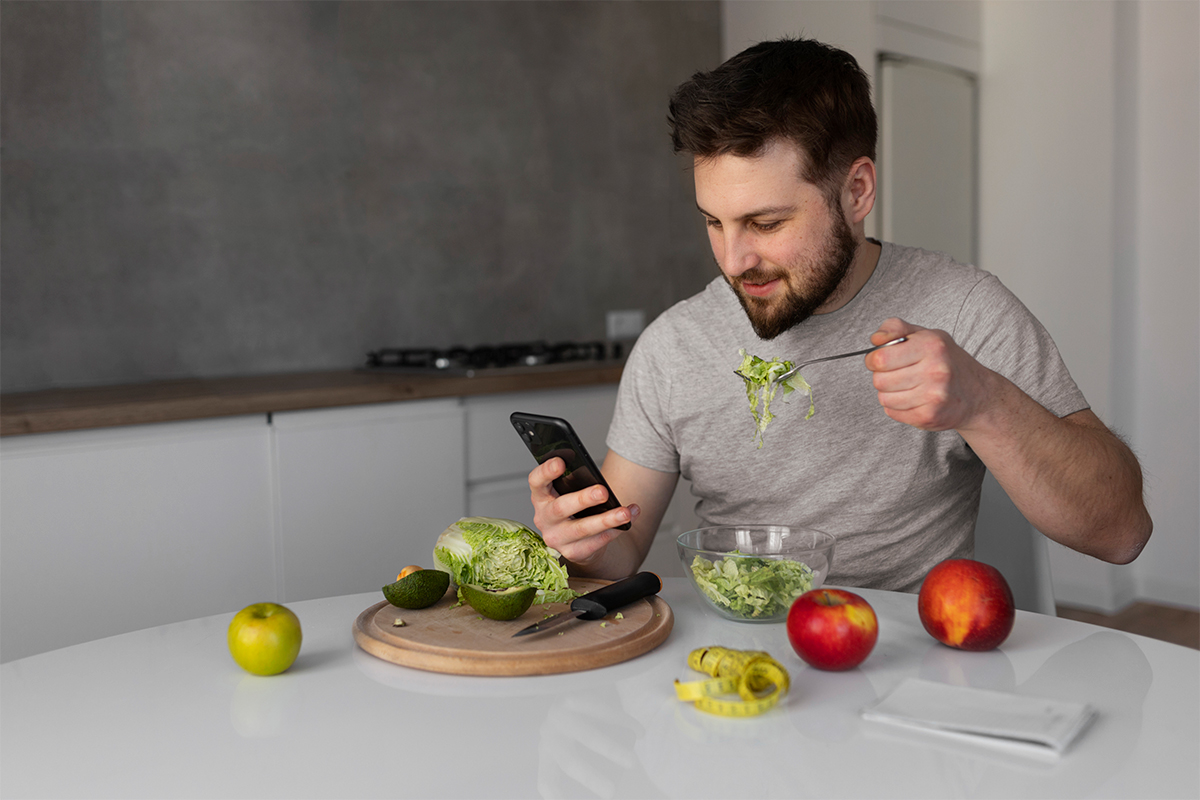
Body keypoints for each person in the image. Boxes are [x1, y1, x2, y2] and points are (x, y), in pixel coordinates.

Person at [527, 37, 1152, 591]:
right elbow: (620, 554)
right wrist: (582, 539)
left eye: (766, 223)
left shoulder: (964, 309)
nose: (734, 259)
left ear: (856, 191)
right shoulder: (673, 347)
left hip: (901, 666)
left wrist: (984, 401)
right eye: (713, 222)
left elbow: (1122, 533)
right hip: (736, 663)